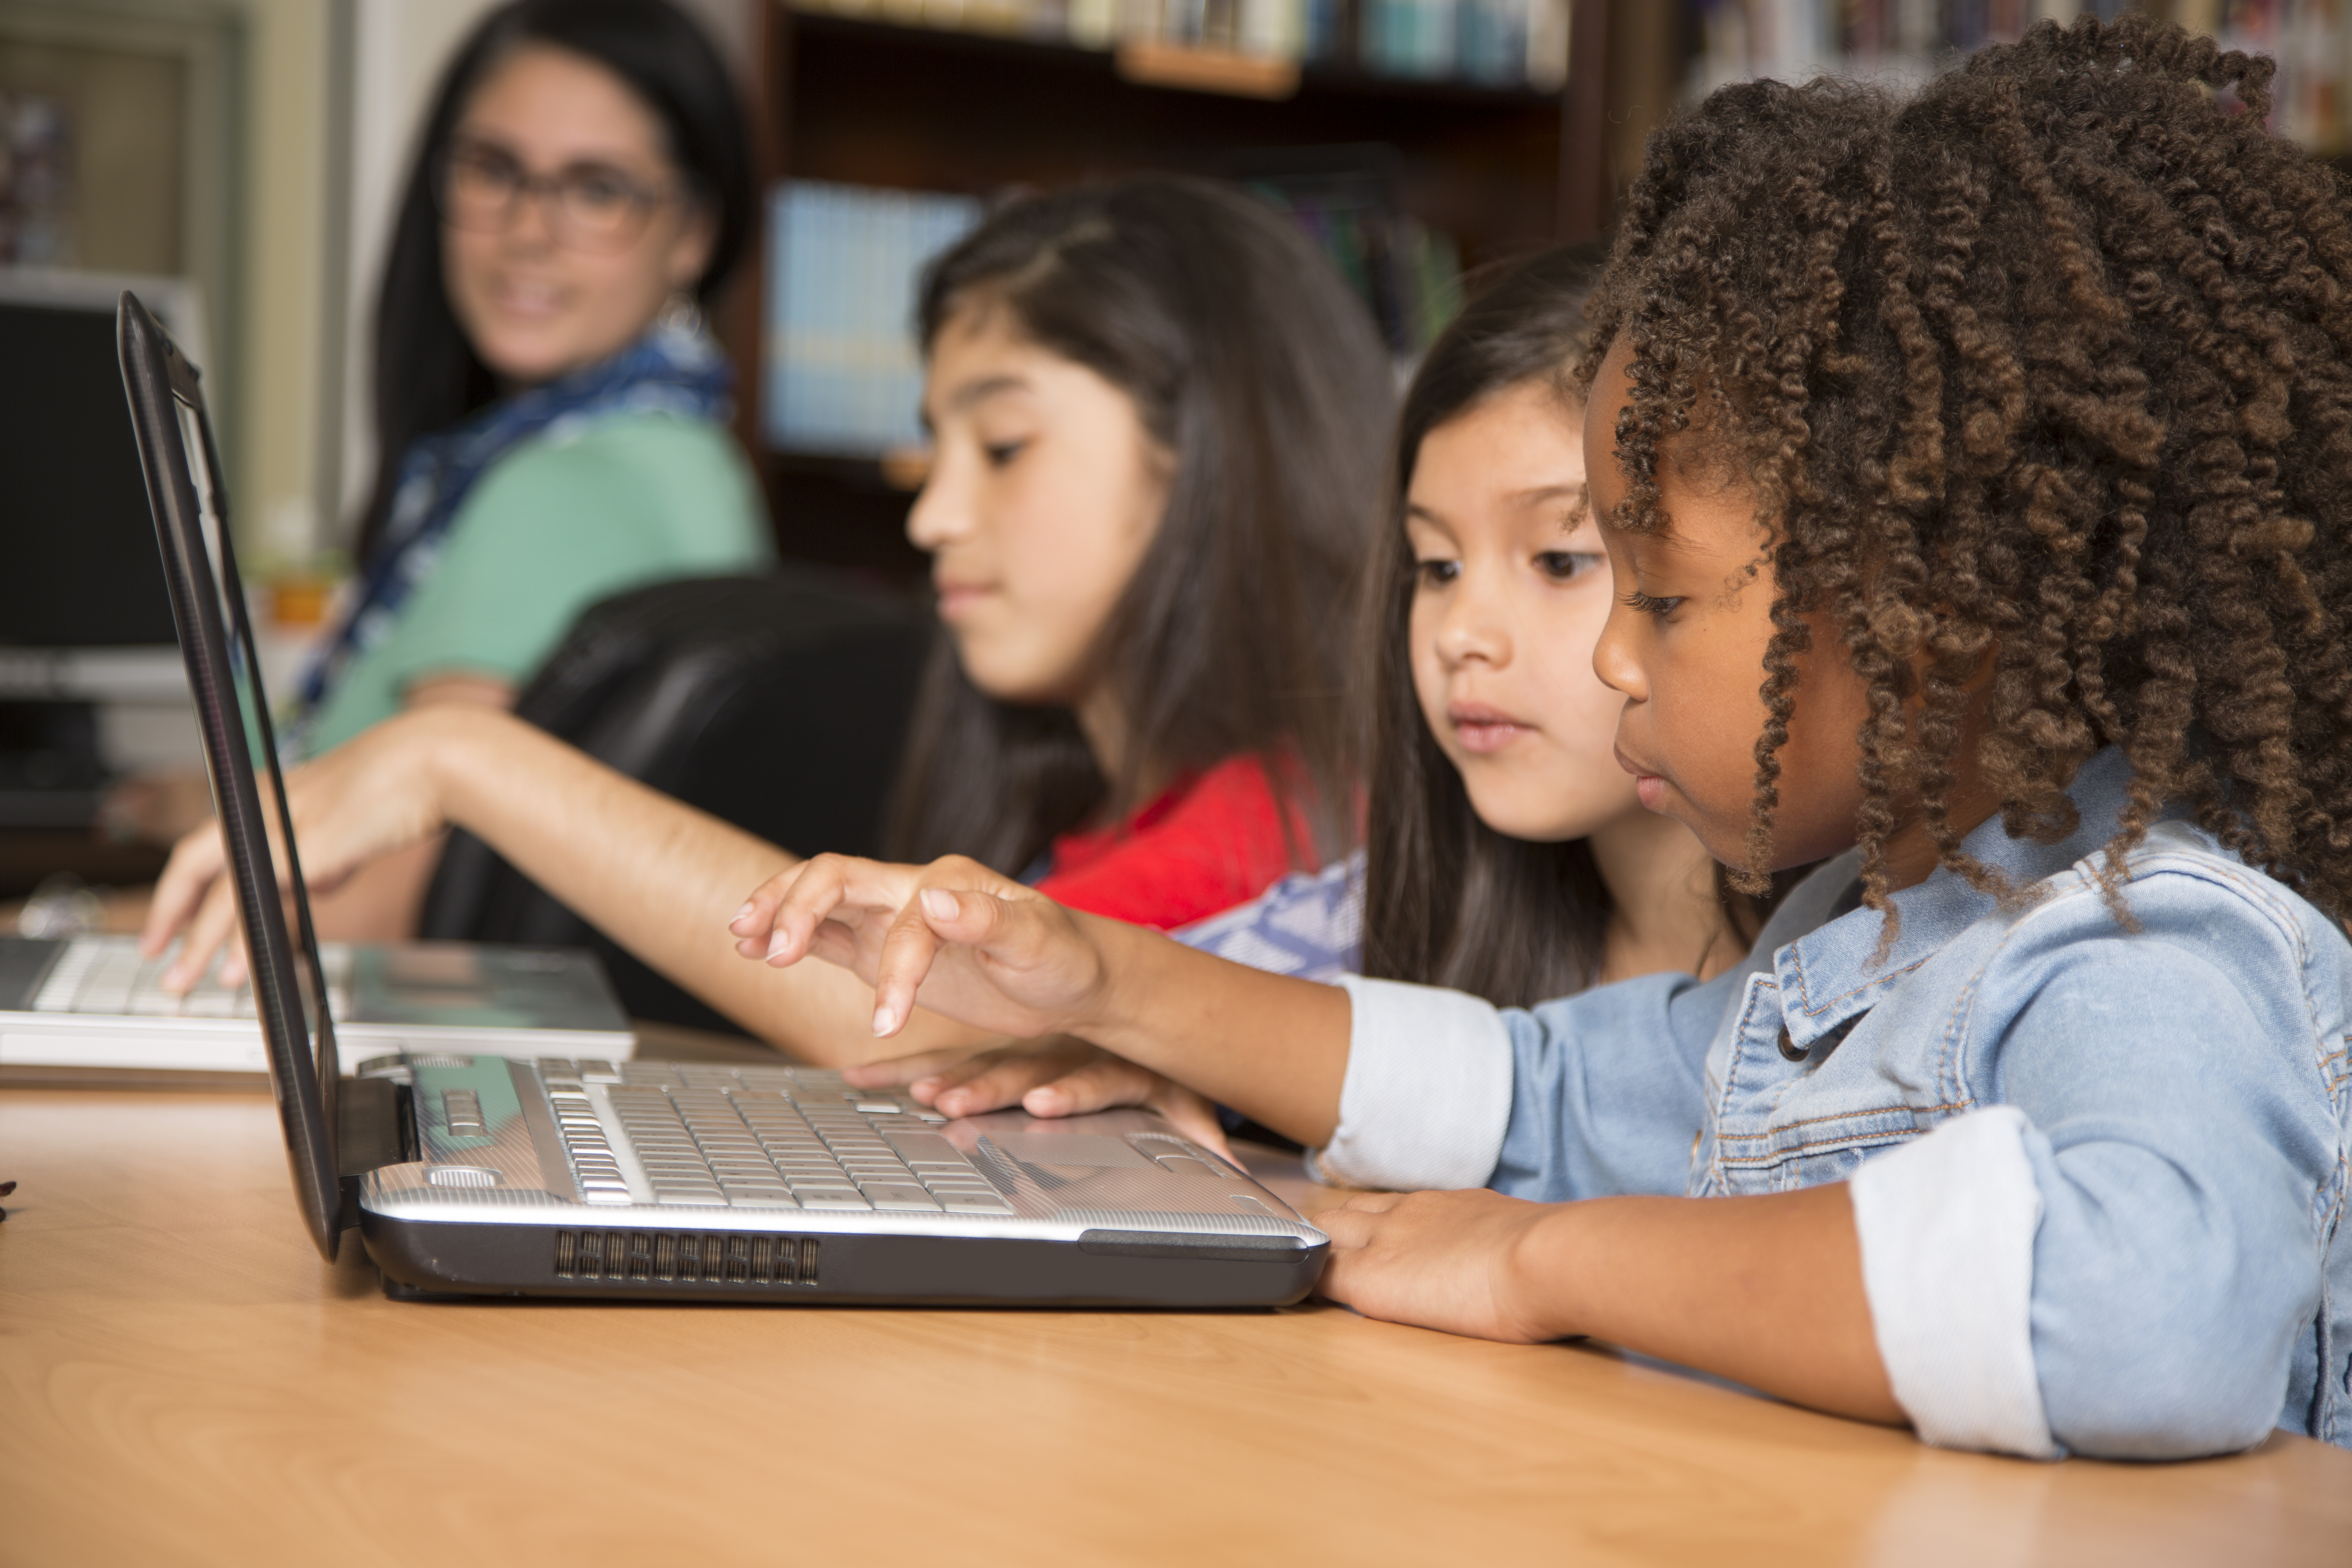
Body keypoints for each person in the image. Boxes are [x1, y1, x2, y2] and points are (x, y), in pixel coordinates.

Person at [742, 17, 2352, 1458]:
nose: (1613, 658)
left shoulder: (2150, 949)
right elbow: (1523, 1091)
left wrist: (1541, 1262)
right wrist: (1100, 980)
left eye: (1656, 595)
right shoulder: (1837, 959)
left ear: (1926, 604)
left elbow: (2148, 1318)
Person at [144, 175, 1393, 1069]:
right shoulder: (1099, 814)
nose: (936, 516)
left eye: (1003, 445)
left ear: (1222, 463)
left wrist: (463, 755)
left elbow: (899, 1026)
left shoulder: (1278, 827)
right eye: (934, 450)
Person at [857, 247, 1798, 1129]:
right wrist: (1169, 1055)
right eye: (1434, 567)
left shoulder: (1874, 981)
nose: (1461, 635)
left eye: (1558, 559)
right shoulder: (1374, 911)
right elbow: (1026, 1028)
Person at [111, 0, 777, 940]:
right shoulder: (685, 458)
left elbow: (378, 904)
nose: (527, 231)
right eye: (495, 170)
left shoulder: (565, 490)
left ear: (695, 233)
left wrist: (48, 931)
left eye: (597, 190)